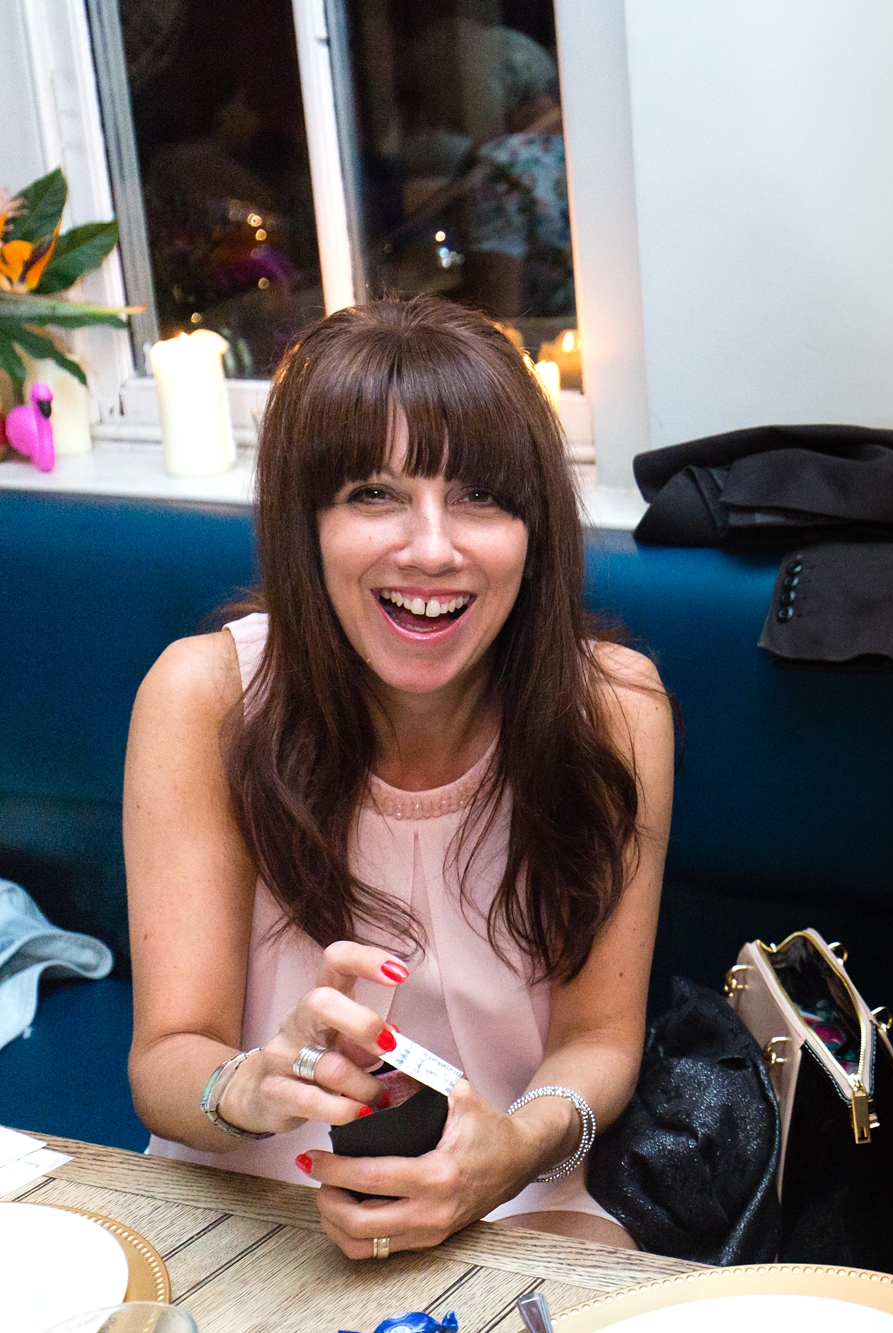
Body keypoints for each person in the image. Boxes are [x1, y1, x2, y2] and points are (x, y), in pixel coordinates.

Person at [124, 296, 674, 1258]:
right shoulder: (202, 696)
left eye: (481, 496)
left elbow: (600, 1039)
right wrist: (247, 1087)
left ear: (536, 529)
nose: (430, 547)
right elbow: (169, 1057)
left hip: (517, 1199)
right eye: (374, 494)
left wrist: (511, 1151)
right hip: (247, 1198)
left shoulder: (618, 709)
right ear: (308, 526)